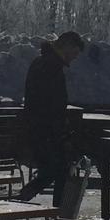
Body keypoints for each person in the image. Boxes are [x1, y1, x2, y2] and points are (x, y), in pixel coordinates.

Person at [20, 31, 85, 202]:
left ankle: (53, 214)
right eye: (75, 53)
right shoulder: (50, 67)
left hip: (41, 130)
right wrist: (59, 133)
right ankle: (54, 215)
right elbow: (49, 104)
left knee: (56, 170)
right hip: (44, 131)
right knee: (56, 170)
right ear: (67, 47)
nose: (74, 58)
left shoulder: (43, 62)